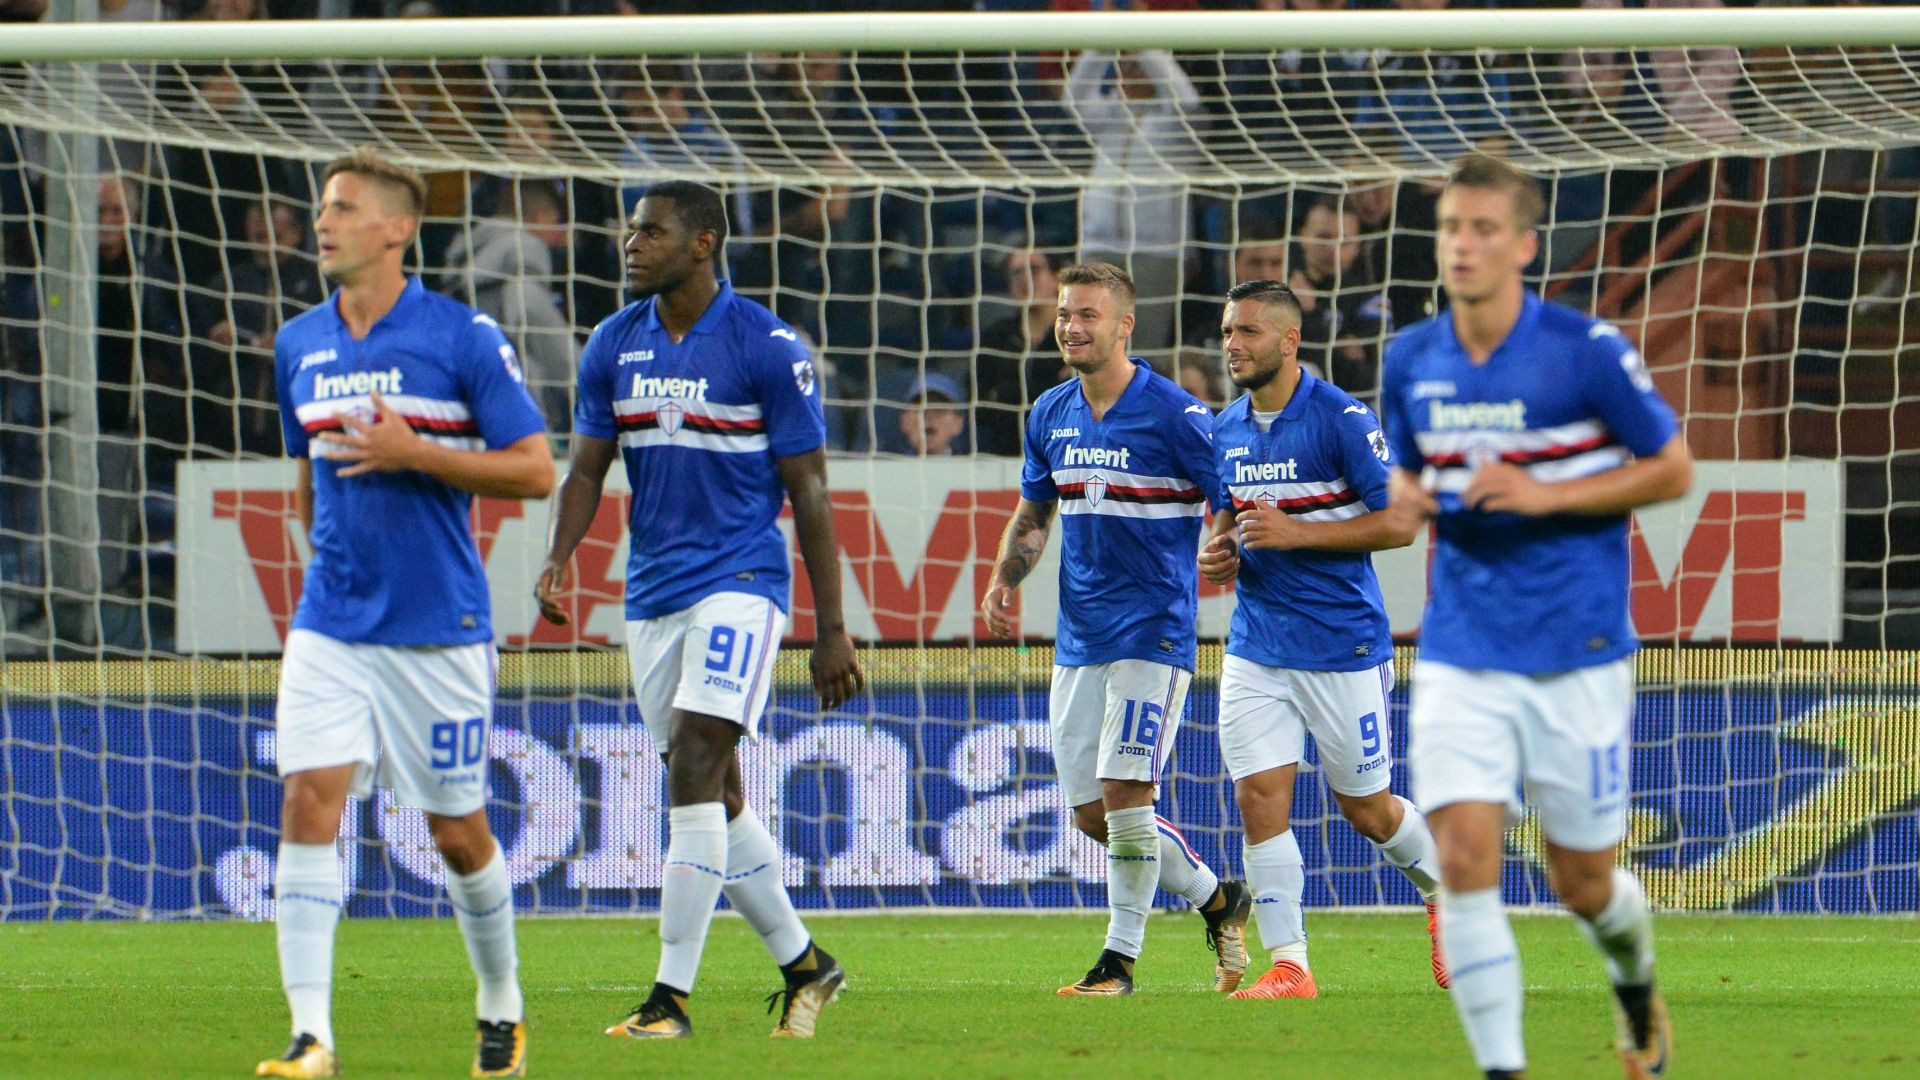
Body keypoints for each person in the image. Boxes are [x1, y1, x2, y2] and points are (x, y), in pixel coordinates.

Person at [1379, 154, 1692, 1080]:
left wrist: (1545, 496)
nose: (1463, 246)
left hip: (1576, 652)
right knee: (1466, 857)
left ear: (1523, 244)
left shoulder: (1585, 350)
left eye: (1482, 230)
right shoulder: (1411, 359)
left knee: (1581, 884)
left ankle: (1634, 981)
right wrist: (1406, 501)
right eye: (1450, 229)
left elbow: (1671, 468)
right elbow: (1408, 473)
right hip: (1461, 648)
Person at [534, 179, 862, 1041]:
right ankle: (806, 965)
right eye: (630, 230)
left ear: (704, 242)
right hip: (652, 596)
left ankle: (668, 999)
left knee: (692, 761)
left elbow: (812, 490)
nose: (631, 243)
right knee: (716, 795)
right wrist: (560, 558)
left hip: (742, 583)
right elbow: (585, 471)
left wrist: (831, 629)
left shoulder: (766, 345)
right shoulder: (612, 343)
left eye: (651, 231)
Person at [262, 148, 553, 1079]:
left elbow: (535, 469)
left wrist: (414, 450)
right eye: (323, 208)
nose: (325, 222)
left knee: (455, 831)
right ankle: (313, 1038)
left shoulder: (460, 337)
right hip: (331, 622)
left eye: (344, 208)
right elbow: (305, 475)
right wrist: (335, 562)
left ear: (397, 228)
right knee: (308, 801)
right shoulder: (297, 342)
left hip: (437, 628)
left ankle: (501, 1003)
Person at [980, 262, 1251, 998]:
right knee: (1093, 815)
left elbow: (1234, 485)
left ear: (1125, 325)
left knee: (1127, 792)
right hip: (1079, 638)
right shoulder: (1050, 413)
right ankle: (1218, 899)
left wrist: (1222, 539)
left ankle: (1118, 961)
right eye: (1066, 314)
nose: (1072, 326)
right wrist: (1008, 575)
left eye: (1088, 315)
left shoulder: (1177, 414)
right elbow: (1035, 511)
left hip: (1154, 632)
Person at [1195, 279, 1446, 1002]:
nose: (1233, 346)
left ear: (1288, 339)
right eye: (1227, 332)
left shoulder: (1341, 417)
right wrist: (1218, 554)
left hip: (1341, 646)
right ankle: (1291, 964)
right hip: (1255, 647)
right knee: (1259, 799)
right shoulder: (1225, 429)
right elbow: (1227, 521)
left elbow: (1401, 523)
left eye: (1247, 332)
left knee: (1367, 809)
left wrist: (1299, 533)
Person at [441, 179, 581, 433]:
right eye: (555, 221)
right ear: (539, 217)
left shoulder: (469, 252)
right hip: (514, 402)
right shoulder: (523, 247)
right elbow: (533, 318)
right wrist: (590, 380)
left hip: (459, 387)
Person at [1290, 198, 1393, 406]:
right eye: (1324, 237)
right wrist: (1338, 342)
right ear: (1302, 237)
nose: (1332, 249)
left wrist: (1310, 315)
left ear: (1357, 246)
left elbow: (1363, 379)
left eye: (1344, 241)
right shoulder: (1280, 293)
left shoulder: (1370, 300)